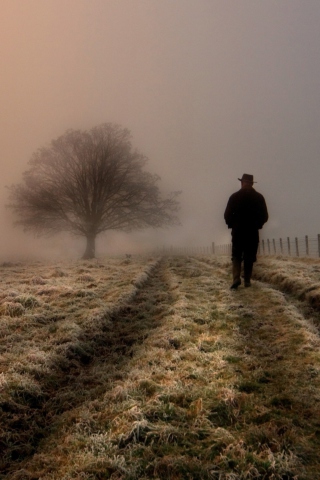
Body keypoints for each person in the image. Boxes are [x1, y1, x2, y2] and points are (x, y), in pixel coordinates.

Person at [224, 173, 268, 289]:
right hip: (252, 232)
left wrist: (231, 225)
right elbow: (265, 216)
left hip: (238, 232)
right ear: (252, 184)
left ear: (242, 183)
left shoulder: (234, 197)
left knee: (236, 255)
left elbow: (227, 215)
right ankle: (247, 281)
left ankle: (236, 278)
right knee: (249, 256)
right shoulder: (259, 197)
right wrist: (258, 225)